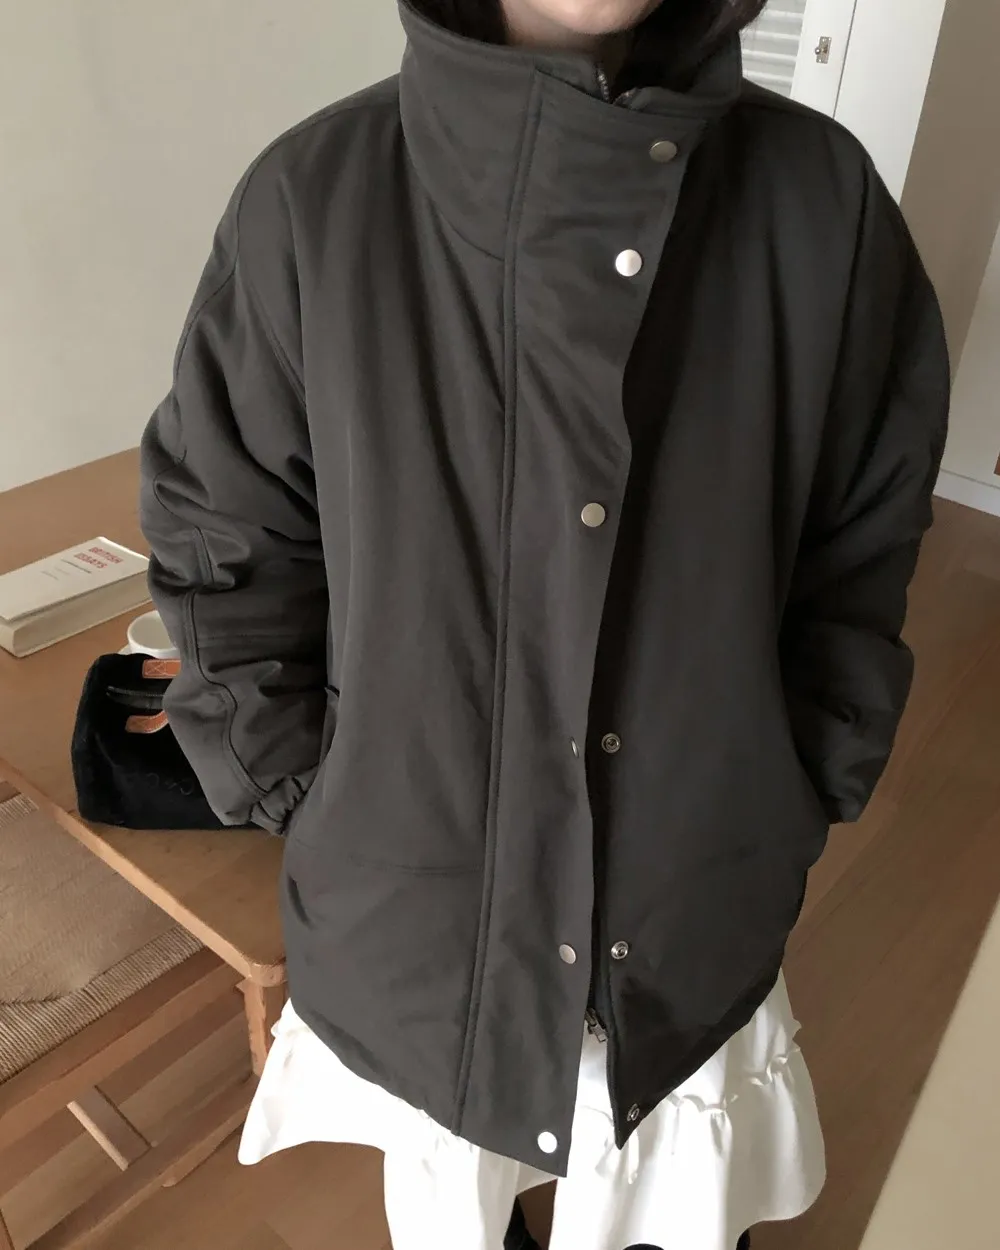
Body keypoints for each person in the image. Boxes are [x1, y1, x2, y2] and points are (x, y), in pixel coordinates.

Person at [139, 0, 950, 1247]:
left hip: (696, 894)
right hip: (413, 913)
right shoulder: (312, 201)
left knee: (671, 1205)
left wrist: (801, 767)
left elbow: (860, 538)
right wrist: (315, 792)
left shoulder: (821, 201)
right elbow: (226, 545)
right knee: (463, 1200)